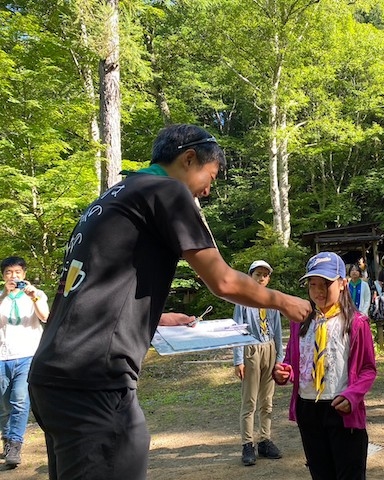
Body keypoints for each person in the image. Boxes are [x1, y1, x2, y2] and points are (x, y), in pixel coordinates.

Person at [27, 124, 312, 480]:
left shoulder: (110, 199)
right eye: (210, 176)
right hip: (95, 378)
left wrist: (153, 317)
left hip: (53, 376)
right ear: (188, 158)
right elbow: (222, 280)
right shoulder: (167, 191)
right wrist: (283, 301)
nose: (207, 190)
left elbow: (86, 292)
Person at [273, 252, 376, 480]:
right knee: (320, 473)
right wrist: (284, 372)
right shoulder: (300, 321)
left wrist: (352, 396)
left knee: (349, 473)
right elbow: (292, 361)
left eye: (326, 284)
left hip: (341, 408)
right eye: (313, 285)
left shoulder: (356, 323)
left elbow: (368, 369)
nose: (318, 291)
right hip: (308, 408)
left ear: (342, 283)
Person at [233, 260, 283, 466]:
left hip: (269, 348)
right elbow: (236, 329)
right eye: (257, 274)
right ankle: (247, 443)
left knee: (267, 399)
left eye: (265, 275)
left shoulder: (272, 299)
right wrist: (238, 360)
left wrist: (280, 358)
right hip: (251, 348)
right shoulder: (243, 300)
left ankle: (264, 439)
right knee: (250, 400)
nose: (262, 278)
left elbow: (278, 330)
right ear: (250, 276)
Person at [0, 256, 49, 468]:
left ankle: (15, 444)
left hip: (28, 355)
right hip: (2, 356)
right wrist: (4, 295)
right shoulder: (1, 297)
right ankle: (7, 438)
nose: (14, 277)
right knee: (3, 405)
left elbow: (46, 317)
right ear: (3, 276)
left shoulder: (36, 295)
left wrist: (33, 297)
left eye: (18, 273)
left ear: (24, 275)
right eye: (9, 273)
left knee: (20, 400)